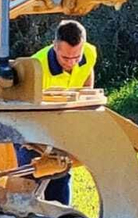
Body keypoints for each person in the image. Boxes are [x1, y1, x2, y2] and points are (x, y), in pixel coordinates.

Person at [15, 20, 98, 206]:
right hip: (30, 124)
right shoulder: (36, 67)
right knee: (31, 175)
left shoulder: (90, 52)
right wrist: (33, 142)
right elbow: (23, 110)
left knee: (61, 170)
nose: (71, 62)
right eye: (65, 58)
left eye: (76, 57)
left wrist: (85, 100)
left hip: (62, 121)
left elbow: (87, 70)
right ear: (54, 46)